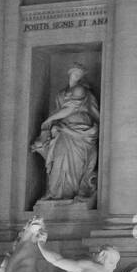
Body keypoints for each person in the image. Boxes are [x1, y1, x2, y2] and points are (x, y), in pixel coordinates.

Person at [32, 65, 99, 200]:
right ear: (70, 74)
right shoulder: (61, 93)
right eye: (75, 74)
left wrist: (49, 120)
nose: (77, 76)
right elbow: (59, 111)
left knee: (75, 164)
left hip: (80, 130)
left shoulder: (81, 90)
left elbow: (70, 109)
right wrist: (54, 125)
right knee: (59, 158)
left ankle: (70, 195)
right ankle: (54, 193)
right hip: (63, 129)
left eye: (79, 74)